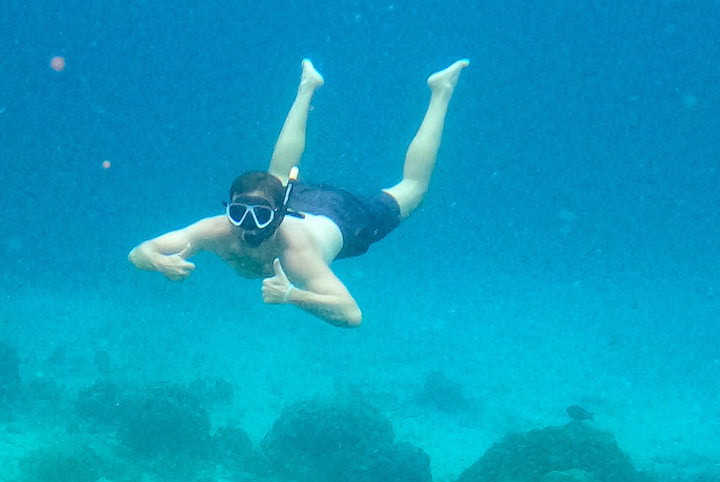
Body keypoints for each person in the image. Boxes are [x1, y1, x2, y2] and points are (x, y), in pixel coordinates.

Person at [127, 58, 468, 328]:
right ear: (228, 209)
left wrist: (292, 295)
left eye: (260, 217)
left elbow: (352, 315)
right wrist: (158, 261)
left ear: (278, 216)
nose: (248, 226)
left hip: (344, 218)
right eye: (239, 213)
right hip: (293, 203)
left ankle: (442, 91)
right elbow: (139, 252)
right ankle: (308, 85)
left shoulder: (295, 254)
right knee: (274, 178)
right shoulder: (215, 230)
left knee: (412, 190)